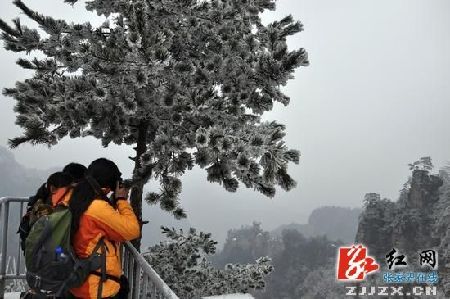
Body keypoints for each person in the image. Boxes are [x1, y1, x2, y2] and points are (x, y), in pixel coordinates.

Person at [69, 158, 140, 299]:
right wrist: (121, 200)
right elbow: (132, 230)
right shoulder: (96, 207)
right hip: (96, 288)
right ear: (106, 188)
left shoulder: (77, 198)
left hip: (79, 278)